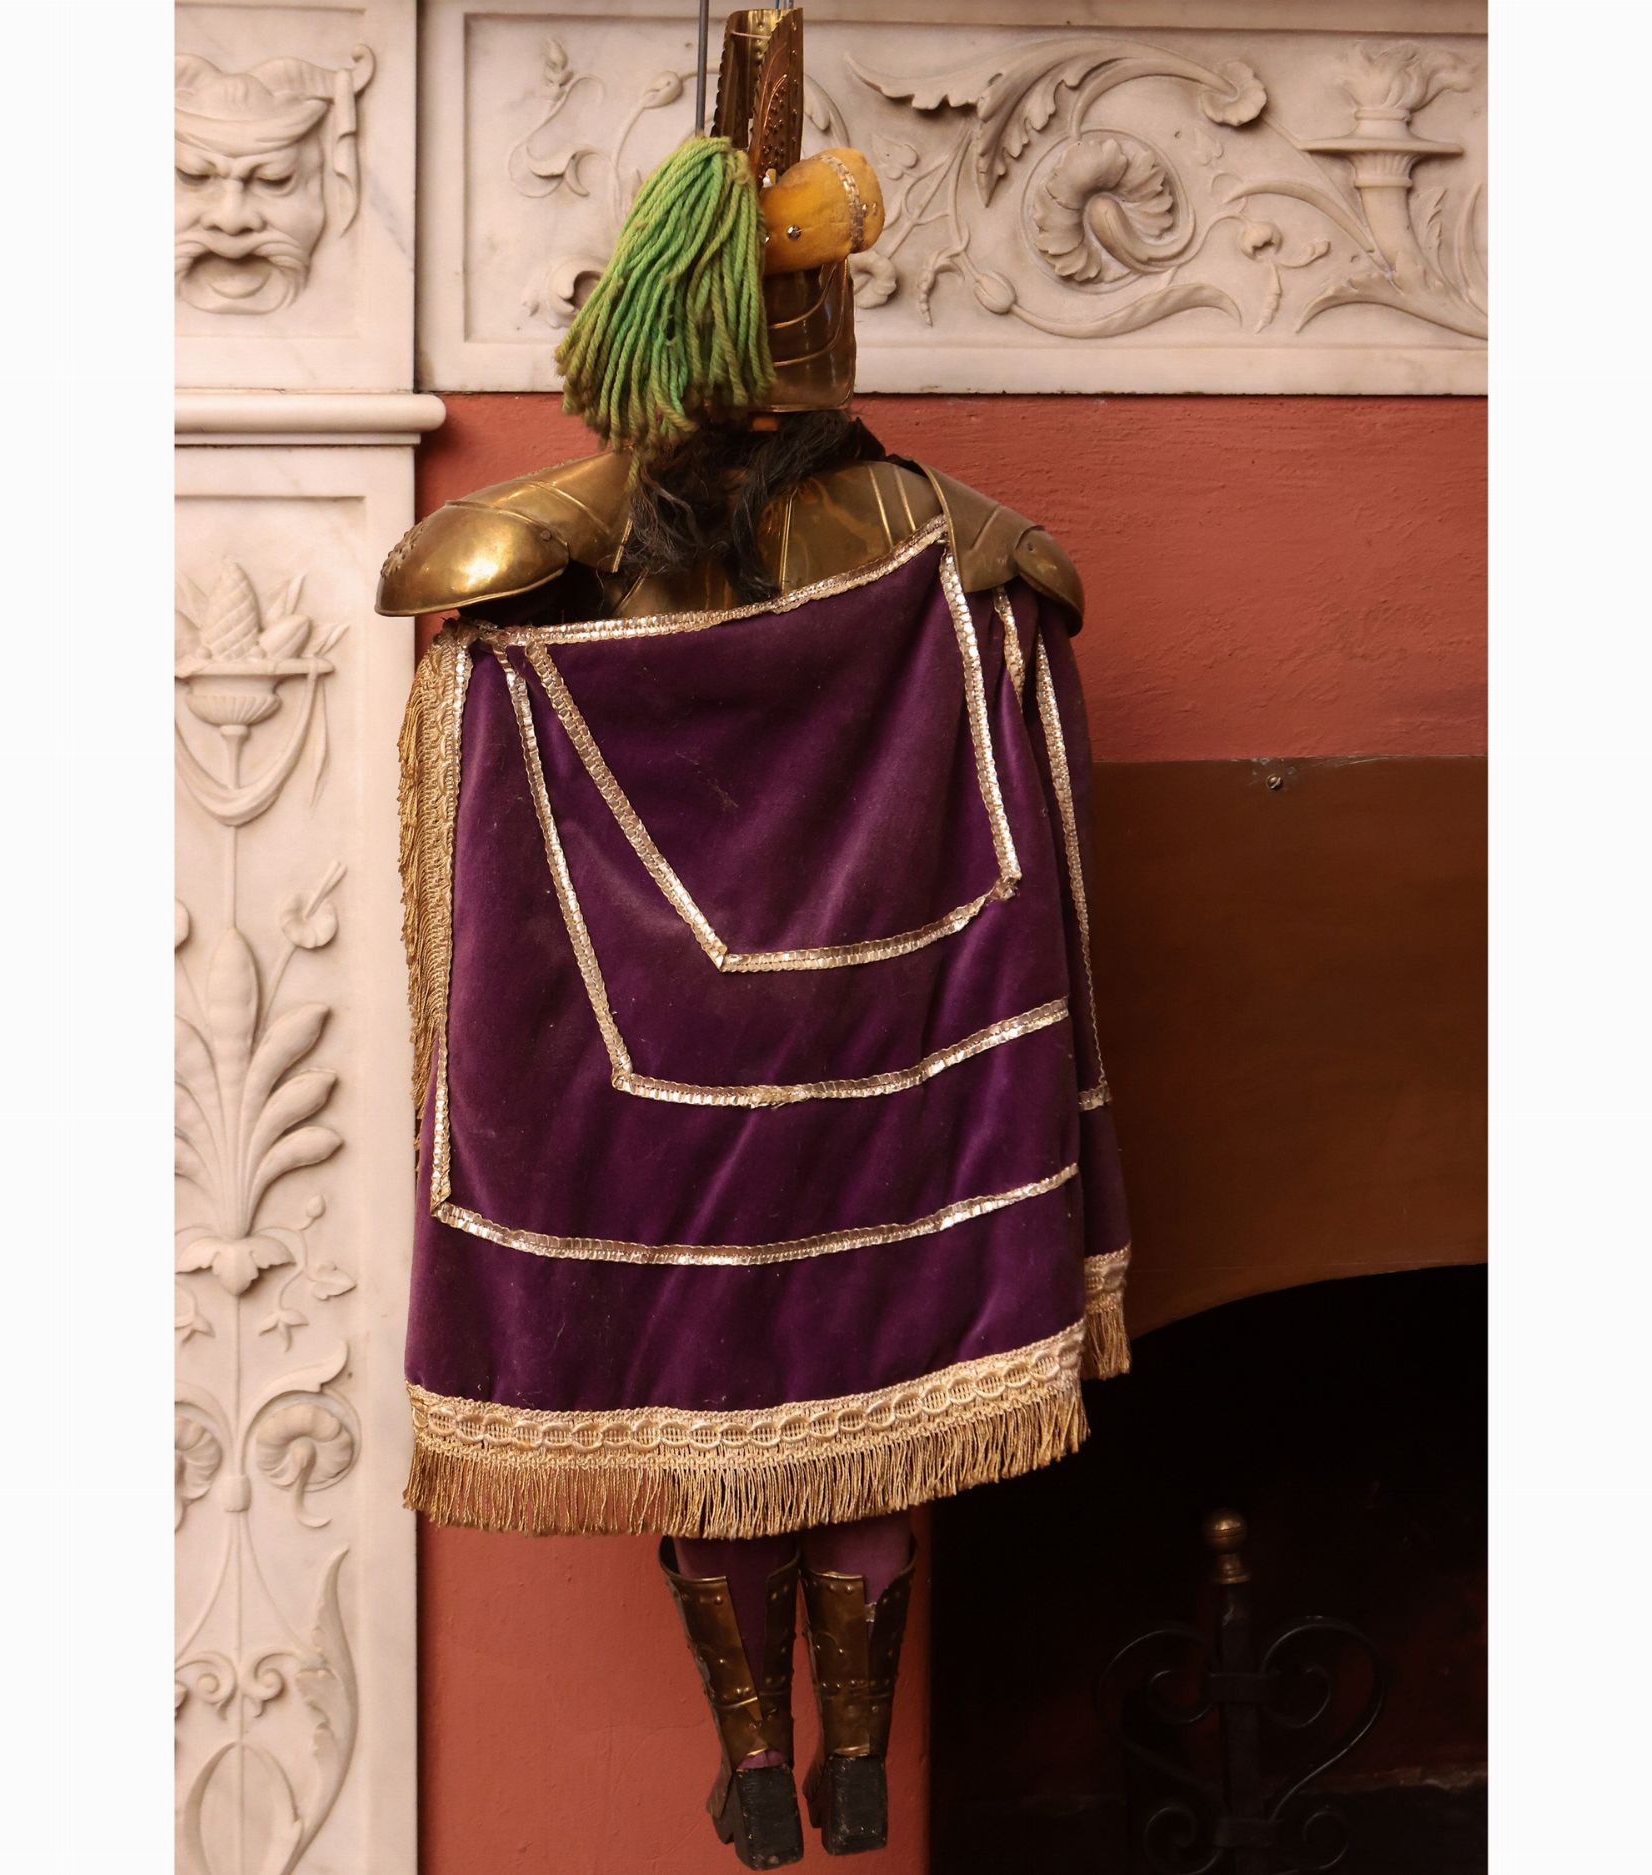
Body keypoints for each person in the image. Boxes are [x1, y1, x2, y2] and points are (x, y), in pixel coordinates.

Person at [375, 8, 1130, 1862]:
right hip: (904, 1076)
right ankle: (855, 1749)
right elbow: (1043, 759)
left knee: (712, 1407)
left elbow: (451, 640)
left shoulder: (536, 548)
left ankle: (753, 1757)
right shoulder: (965, 551)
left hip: (652, 1096)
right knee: (877, 1384)